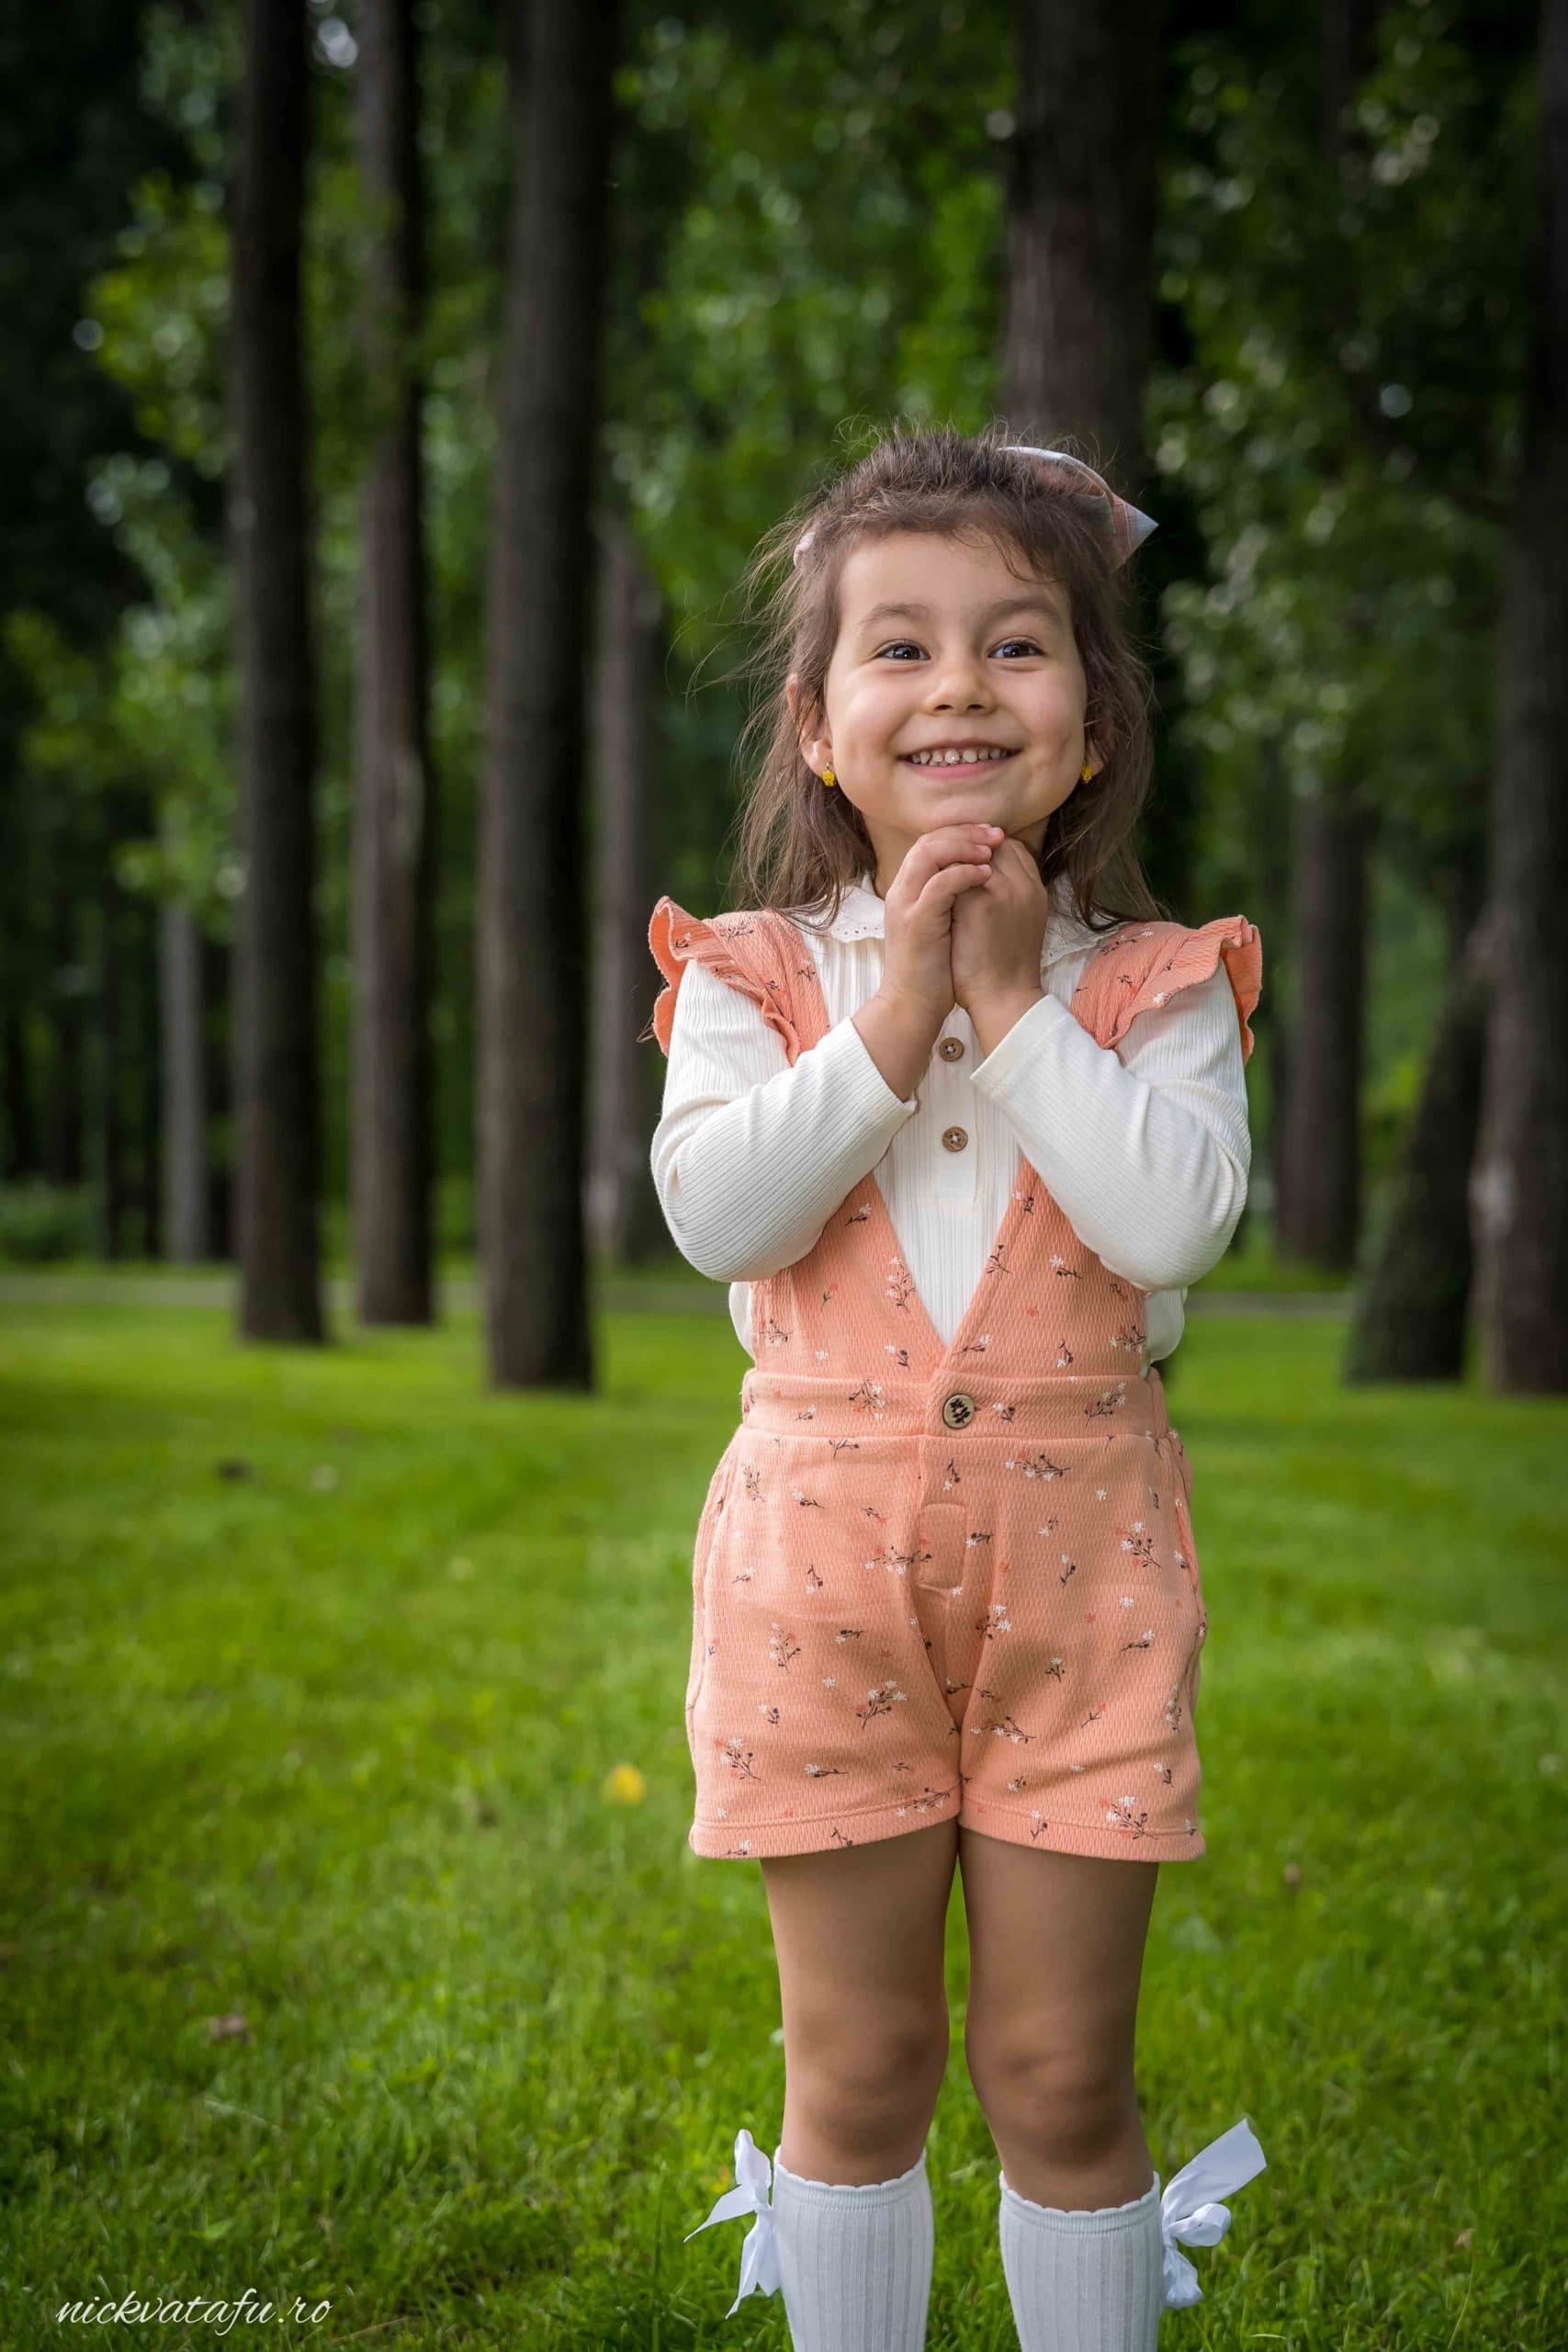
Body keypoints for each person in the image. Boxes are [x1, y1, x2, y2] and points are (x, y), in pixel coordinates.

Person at [642, 425, 1268, 2352]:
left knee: (1058, 2070)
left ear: (1089, 723)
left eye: (1015, 645)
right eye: (897, 649)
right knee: (858, 2060)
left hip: (1081, 1603)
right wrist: (897, 1009)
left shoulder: (1153, 986)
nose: (958, 685)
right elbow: (718, 1207)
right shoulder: (750, 974)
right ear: (818, 725)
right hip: (817, 1591)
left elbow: (1168, 1224)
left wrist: (1009, 1004)